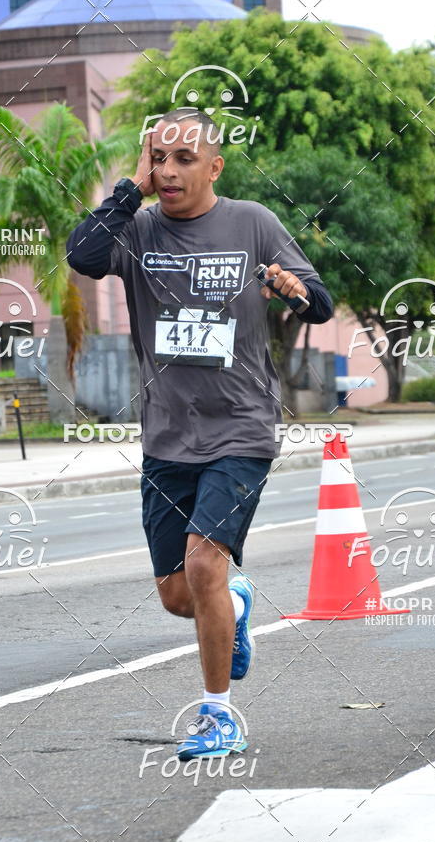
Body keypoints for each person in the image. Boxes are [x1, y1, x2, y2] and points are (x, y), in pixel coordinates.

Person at [66, 108, 333, 759]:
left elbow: (319, 301)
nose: (169, 171)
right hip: (165, 436)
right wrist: (130, 187)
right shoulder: (136, 231)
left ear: (215, 166)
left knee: (202, 564)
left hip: (242, 426)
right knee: (177, 595)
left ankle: (219, 718)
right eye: (159, 158)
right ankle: (236, 609)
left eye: (185, 159)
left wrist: (295, 290)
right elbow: (83, 254)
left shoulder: (253, 224)